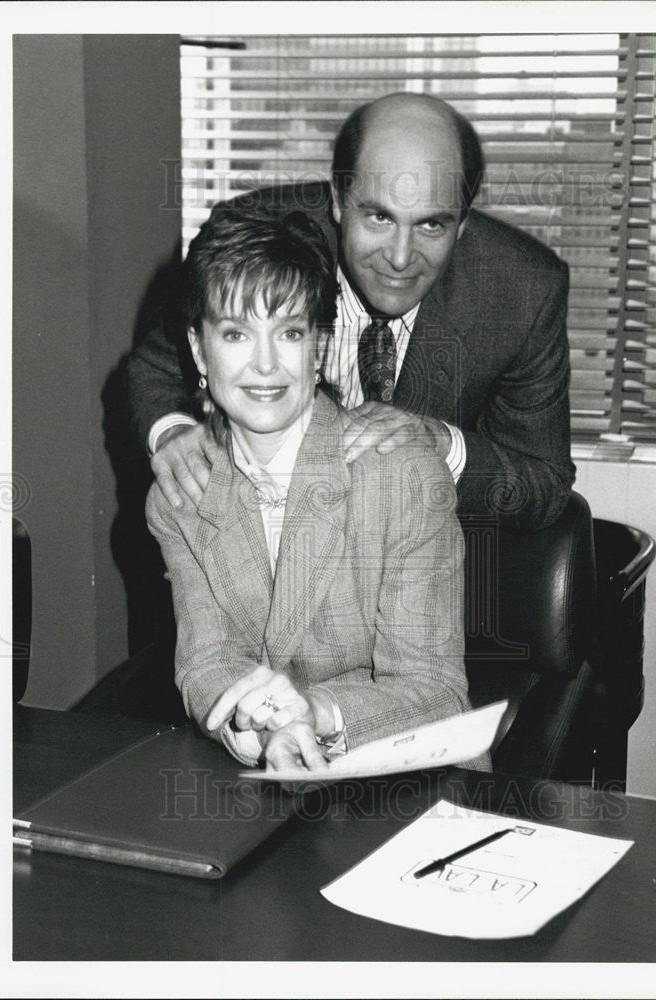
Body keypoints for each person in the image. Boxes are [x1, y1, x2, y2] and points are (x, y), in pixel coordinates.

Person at [129, 92, 575, 533]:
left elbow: (544, 483)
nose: (401, 258)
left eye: (431, 224)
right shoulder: (259, 241)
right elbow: (159, 367)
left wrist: (441, 444)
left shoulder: (522, 291)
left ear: (463, 224)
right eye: (379, 217)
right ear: (339, 201)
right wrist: (171, 435)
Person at [146, 206, 478, 771]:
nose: (267, 364)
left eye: (290, 332)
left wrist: (315, 714)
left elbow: (439, 693)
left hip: (407, 778)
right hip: (265, 773)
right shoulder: (182, 494)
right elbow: (205, 662)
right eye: (235, 333)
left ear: (319, 348)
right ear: (200, 351)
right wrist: (254, 729)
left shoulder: (405, 477)